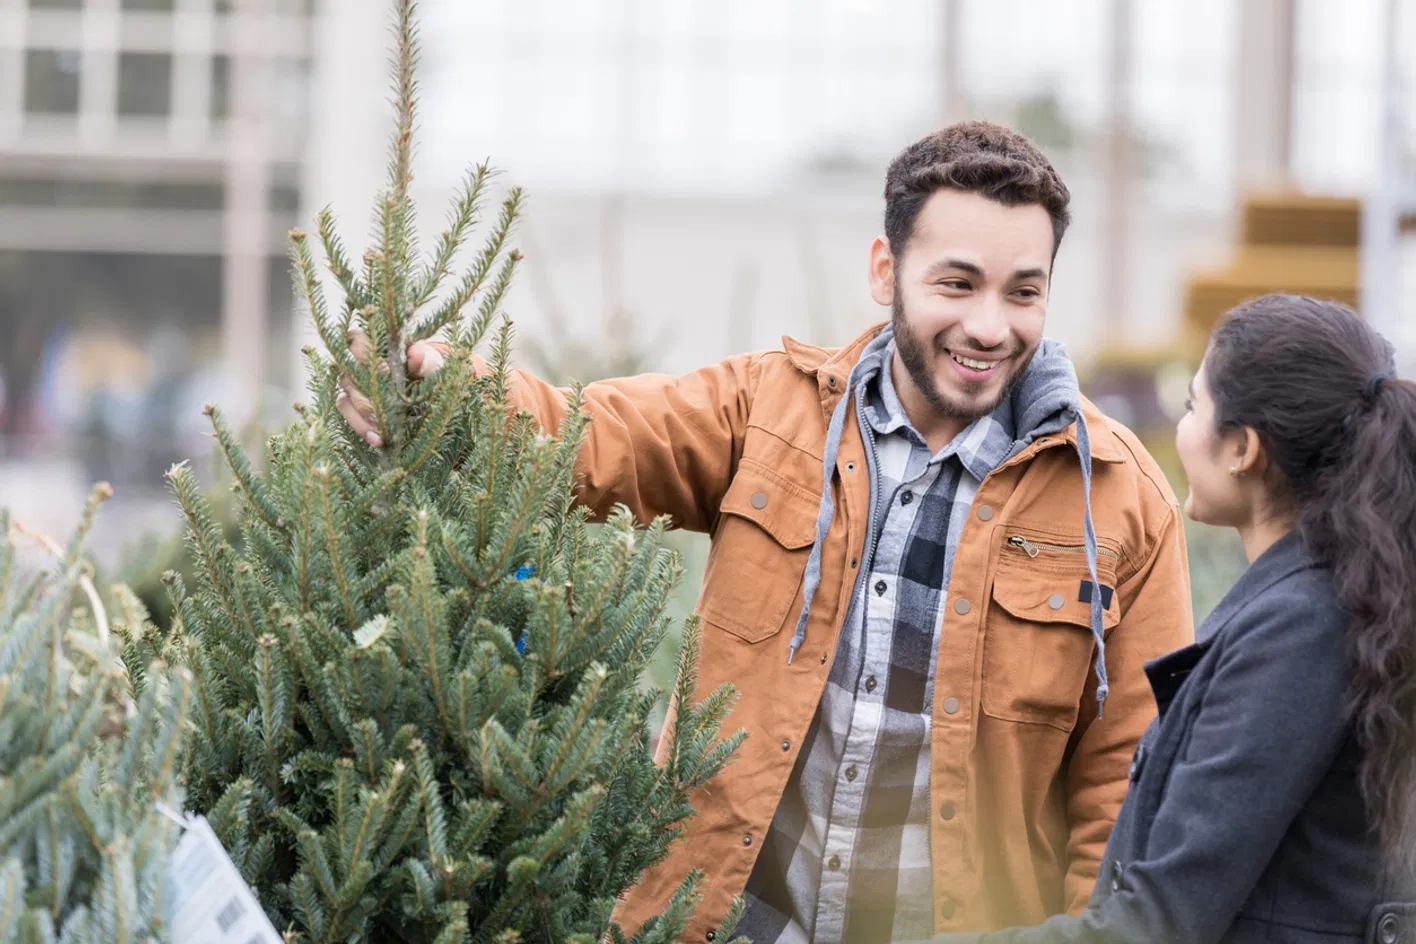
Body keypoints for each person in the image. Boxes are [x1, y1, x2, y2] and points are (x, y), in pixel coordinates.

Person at [338, 122, 1194, 941]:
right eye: (957, 283)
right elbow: (592, 437)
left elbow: (1127, 786)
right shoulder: (771, 412)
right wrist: (441, 394)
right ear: (884, 269)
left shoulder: (1117, 501)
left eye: (1024, 292)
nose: (989, 325)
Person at [933, 294, 1416, 943]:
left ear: (1243, 448)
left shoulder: (1298, 631)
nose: (1182, 428)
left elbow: (1159, 922)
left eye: (1194, 406)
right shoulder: (1331, 602)